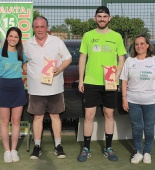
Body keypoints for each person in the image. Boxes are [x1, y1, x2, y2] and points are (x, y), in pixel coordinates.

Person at [77, 6, 126, 162]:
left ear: (109, 18)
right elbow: (83, 58)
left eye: (105, 16)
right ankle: (86, 148)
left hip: (110, 84)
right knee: (89, 115)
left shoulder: (117, 36)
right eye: (99, 16)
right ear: (95, 18)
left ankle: (109, 148)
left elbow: (121, 59)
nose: (102, 19)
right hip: (91, 82)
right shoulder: (87, 36)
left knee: (109, 114)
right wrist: (81, 79)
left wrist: (116, 77)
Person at [23, 16, 72, 159]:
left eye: (42, 26)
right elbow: (22, 60)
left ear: (47, 27)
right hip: (35, 89)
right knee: (37, 117)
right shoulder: (27, 44)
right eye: (36, 27)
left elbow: (67, 58)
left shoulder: (56, 42)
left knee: (55, 116)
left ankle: (58, 145)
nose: (39, 29)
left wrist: (59, 68)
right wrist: (24, 66)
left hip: (55, 88)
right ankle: (37, 146)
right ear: (33, 28)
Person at [120, 34, 155, 164]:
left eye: (142, 43)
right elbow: (124, 81)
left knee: (149, 127)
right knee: (136, 127)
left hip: (152, 101)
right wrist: (124, 98)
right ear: (134, 47)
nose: (139, 46)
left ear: (147, 45)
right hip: (133, 101)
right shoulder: (130, 61)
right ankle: (139, 152)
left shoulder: (154, 60)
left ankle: (147, 152)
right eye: (136, 44)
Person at [0, 27, 27, 163]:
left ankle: (14, 150)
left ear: (19, 39)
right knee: (4, 122)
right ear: (7, 37)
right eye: (11, 36)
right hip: (3, 87)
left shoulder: (21, 53)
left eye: (16, 37)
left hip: (17, 87)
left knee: (16, 121)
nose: (13, 39)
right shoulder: (0, 52)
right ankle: (6, 151)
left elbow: (29, 68)